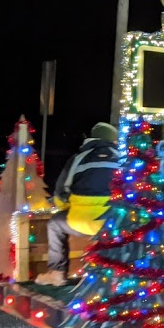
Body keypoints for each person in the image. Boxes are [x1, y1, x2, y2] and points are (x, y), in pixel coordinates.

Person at [36, 122, 121, 286]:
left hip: (80, 221)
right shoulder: (122, 159)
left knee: (55, 224)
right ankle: (118, 277)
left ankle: (57, 273)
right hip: (112, 223)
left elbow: (61, 194)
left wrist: (66, 207)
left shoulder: (77, 159)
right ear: (113, 140)